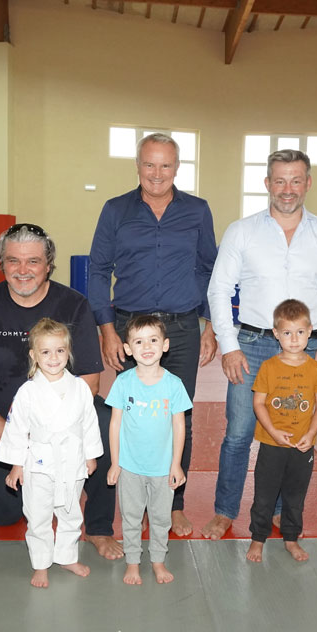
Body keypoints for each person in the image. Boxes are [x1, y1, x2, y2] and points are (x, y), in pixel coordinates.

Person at [201, 149, 317, 539]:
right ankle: (225, 510)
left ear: (308, 183)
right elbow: (219, 289)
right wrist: (229, 345)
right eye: (280, 180)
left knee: (297, 430)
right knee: (239, 433)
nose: (288, 189)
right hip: (252, 344)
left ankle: (283, 512)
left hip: (308, 348)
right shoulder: (242, 231)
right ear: (267, 183)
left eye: (296, 180)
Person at [0, 224, 121, 559]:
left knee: (106, 421)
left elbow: (89, 382)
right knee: (5, 514)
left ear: (48, 265)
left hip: (65, 423)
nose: (23, 270)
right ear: (1, 264)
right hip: (3, 427)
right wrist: (20, 442)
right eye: (13, 261)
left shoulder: (73, 305)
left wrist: (55, 435)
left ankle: (99, 527)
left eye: (33, 261)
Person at [87, 132, 218, 537]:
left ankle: (173, 503)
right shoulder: (116, 210)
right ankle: (136, 500)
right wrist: (107, 330)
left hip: (182, 328)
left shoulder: (197, 210)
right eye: (149, 164)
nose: (157, 173)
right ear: (138, 166)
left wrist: (211, 325)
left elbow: (210, 269)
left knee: (178, 416)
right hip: (131, 328)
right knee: (131, 415)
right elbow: (98, 270)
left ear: (177, 168)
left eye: (165, 165)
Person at [0, 318, 103, 588]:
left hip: (73, 457)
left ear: (68, 352)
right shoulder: (28, 391)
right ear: (34, 355)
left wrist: (91, 454)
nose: (53, 358)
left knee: (71, 511)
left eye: (60, 350)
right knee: (38, 515)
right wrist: (16, 465)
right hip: (39, 461)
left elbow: (89, 423)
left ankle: (67, 557)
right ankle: (41, 563)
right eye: (45, 352)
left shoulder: (80, 387)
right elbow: (16, 429)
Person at [106, 315, 191, 585]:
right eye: (139, 341)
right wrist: (115, 462)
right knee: (131, 517)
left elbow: (180, 426)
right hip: (130, 466)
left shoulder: (174, 384)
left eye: (153, 340)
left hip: (162, 468)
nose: (147, 347)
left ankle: (158, 560)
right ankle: (132, 562)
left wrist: (176, 464)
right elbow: (115, 424)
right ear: (128, 349)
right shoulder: (123, 382)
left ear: (165, 345)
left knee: (160, 518)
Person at [246, 299, 317, 563]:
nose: (294, 339)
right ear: (276, 334)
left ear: (310, 332)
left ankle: (291, 538)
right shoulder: (269, 367)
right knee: (264, 495)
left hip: (302, 446)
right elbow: (259, 403)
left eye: (300, 332)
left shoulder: (315, 369)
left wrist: (311, 434)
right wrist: (272, 431)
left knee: (296, 496)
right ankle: (257, 539)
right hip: (272, 444)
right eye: (287, 333)